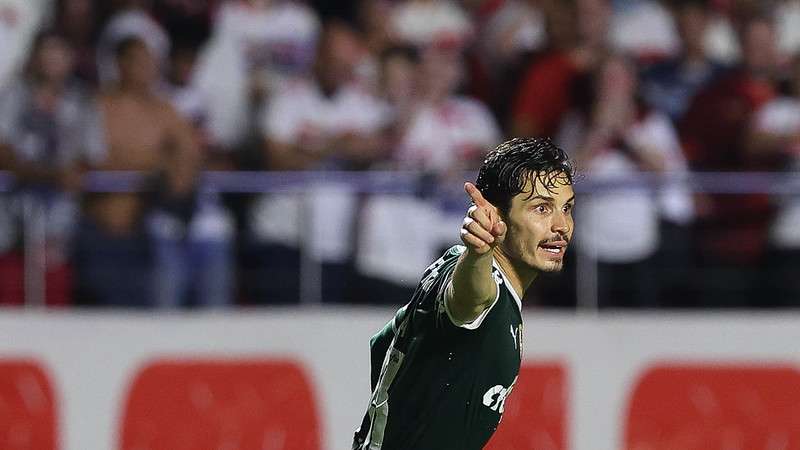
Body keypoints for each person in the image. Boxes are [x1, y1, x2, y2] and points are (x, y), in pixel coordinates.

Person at [352, 137, 575, 449]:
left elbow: (384, 344)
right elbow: (471, 300)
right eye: (541, 208)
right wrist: (478, 255)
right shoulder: (484, 284)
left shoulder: (458, 266)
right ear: (497, 215)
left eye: (567, 208)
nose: (561, 225)